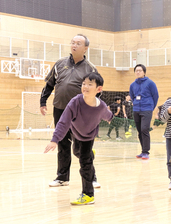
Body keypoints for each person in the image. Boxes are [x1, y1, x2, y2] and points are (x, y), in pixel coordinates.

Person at [40, 34, 101, 188]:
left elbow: (97, 92)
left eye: (78, 43)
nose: (74, 45)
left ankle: (91, 178)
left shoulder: (90, 68)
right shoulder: (60, 64)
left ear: (85, 48)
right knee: (62, 143)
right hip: (60, 109)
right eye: (72, 42)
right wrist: (43, 101)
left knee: (82, 147)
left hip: (81, 113)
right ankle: (62, 177)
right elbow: (49, 84)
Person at [44, 72, 113, 205]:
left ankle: (88, 195)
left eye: (90, 84)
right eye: (83, 84)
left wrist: (112, 120)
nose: (85, 86)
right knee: (77, 152)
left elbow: (109, 116)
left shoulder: (101, 107)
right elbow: (63, 122)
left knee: (84, 163)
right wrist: (55, 140)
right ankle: (90, 155)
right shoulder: (75, 102)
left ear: (99, 89)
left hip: (89, 136)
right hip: (75, 132)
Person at [130, 64, 159, 160]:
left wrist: (151, 107)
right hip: (136, 110)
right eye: (136, 70)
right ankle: (143, 151)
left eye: (140, 70)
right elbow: (132, 96)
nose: (138, 72)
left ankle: (146, 152)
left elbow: (155, 96)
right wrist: (136, 104)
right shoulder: (132, 85)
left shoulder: (150, 83)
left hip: (147, 109)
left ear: (144, 72)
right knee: (139, 131)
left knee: (144, 129)